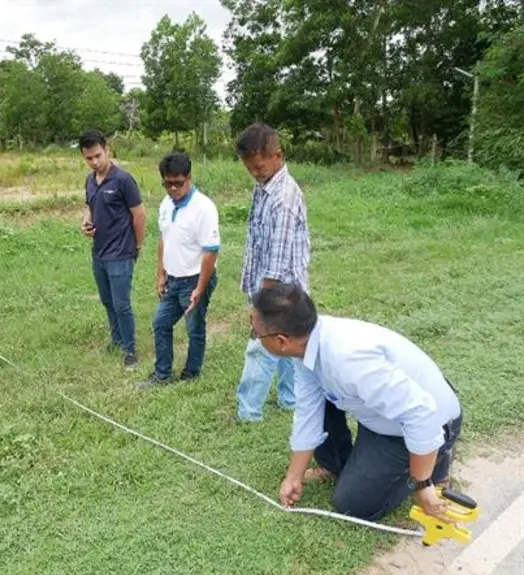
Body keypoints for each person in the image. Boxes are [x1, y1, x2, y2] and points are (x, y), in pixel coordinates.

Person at [250, 283, 463, 523]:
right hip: (382, 417)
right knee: (322, 401)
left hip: (429, 422)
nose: (256, 338)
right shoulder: (307, 343)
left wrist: (421, 484)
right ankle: (338, 466)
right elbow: (308, 409)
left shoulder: (348, 360)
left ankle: (437, 458)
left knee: (352, 505)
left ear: (281, 341)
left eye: (256, 333)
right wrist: (294, 476)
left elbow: (421, 413)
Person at [235, 123, 311, 421]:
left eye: (258, 166)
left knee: (261, 347)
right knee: (287, 344)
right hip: (274, 288)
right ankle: (290, 400)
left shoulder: (284, 198)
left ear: (277, 155)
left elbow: (277, 265)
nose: (254, 172)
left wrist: (259, 307)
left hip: (279, 292)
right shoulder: (264, 187)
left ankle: (248, 413)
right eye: (249, 168)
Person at [138, 153, 220, 388]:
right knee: (160, 323)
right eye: (167, 184)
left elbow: (211, 251)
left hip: (195, 279)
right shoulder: (166, 204)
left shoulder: (204, 208)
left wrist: (200, 288)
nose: (173, 189)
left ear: (189, 178)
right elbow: (164, 239)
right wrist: (160, 274)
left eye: (178, 183)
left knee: (194, 327)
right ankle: (162, 375)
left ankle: (191, 373)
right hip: (173, 278)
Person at [79, 130, 146, 370]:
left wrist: (136, 245)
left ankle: (130, 350)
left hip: (120, 252)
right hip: (99, 252)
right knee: (107, 300)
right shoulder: (90, 180)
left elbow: (139, 215)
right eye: (89, 158)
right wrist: (85, 222)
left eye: (98, 155)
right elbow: (90, 205)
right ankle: (116, 340)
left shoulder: (123, 180)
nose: (94, 162)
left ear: (107, 150)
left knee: (121, 304)